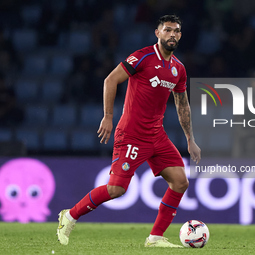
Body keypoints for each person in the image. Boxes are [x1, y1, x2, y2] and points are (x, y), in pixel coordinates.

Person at [57, 14, 201, 248]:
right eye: (167, 30)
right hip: (132, 135)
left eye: (176, 31)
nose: (172, 34)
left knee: (180, 182)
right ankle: (70, 216)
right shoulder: (142, 56)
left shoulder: (178, 69)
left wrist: (190, 139)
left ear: (180, 35)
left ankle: (155, 238)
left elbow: (182, 104)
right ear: (158, 33)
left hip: (157, 135)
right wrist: (108, 116)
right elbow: (110, 80)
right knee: (116, 189)